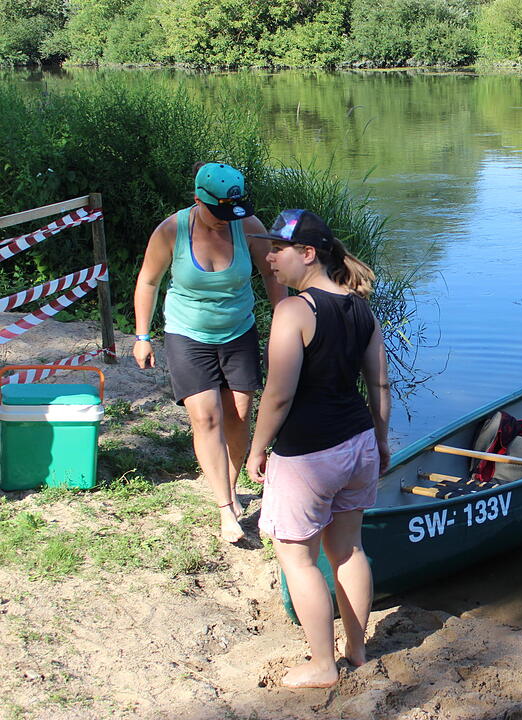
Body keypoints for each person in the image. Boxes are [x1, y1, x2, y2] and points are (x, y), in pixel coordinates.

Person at [244, 209, 390, 690]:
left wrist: (257, 448)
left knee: (297, 558)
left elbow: (278, 395)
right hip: (358, 444)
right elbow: (380, 384)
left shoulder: (294, 311)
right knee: (348, 550)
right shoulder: (362, 307)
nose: (268, 256)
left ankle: (323, 665)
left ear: (307, 254)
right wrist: (383, 441)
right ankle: (358, 650)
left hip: (308, 455)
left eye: (277, 249)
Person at [133, 162, 287, 543]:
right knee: (206, 418)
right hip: (188, 334)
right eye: (218, 213)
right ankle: (224, 509)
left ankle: (230, 489)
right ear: (198, 199)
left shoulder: (248, 225)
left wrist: (284, 320)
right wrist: (142, 335)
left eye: (231, 213)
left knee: (239, 413)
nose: (225, 221)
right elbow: (148, 281)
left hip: (238, 331)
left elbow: (270, 273)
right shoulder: (172, 230)